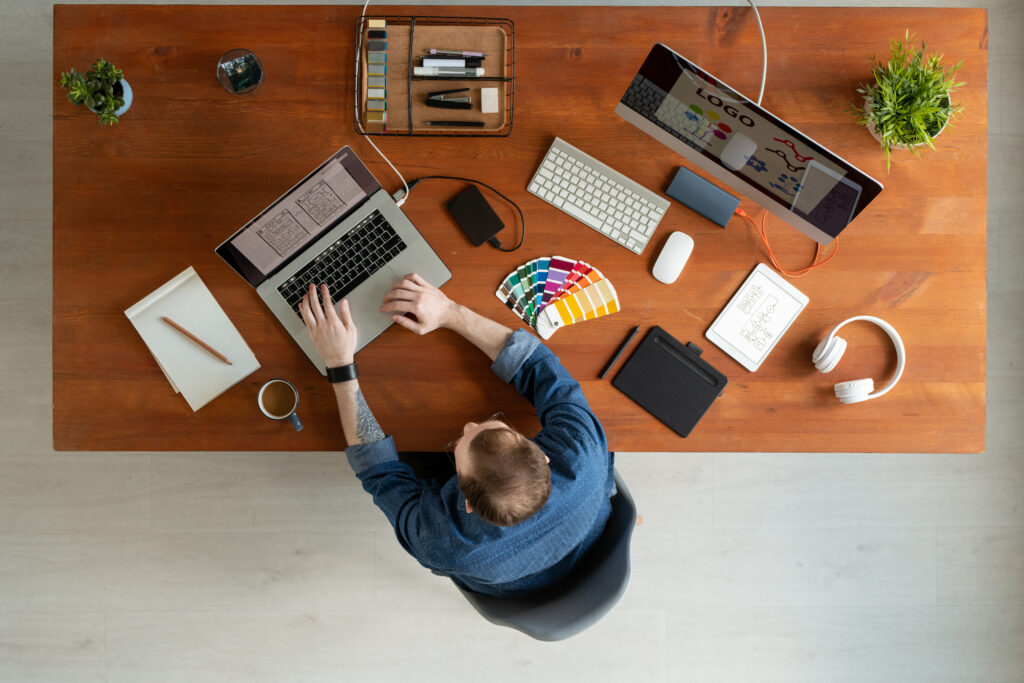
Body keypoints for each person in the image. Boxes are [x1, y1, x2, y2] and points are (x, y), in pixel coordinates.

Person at [298, 274, 616, 597]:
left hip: (521, 585)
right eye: (497, 425)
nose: (468, 426)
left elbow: (379, 473)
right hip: (586, 535)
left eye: (460, 446)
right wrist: (448, 312)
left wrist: (338, 363)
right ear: (544, 456)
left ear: (465, 503)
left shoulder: (441, 544)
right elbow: (536, 365)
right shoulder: (584, 454)